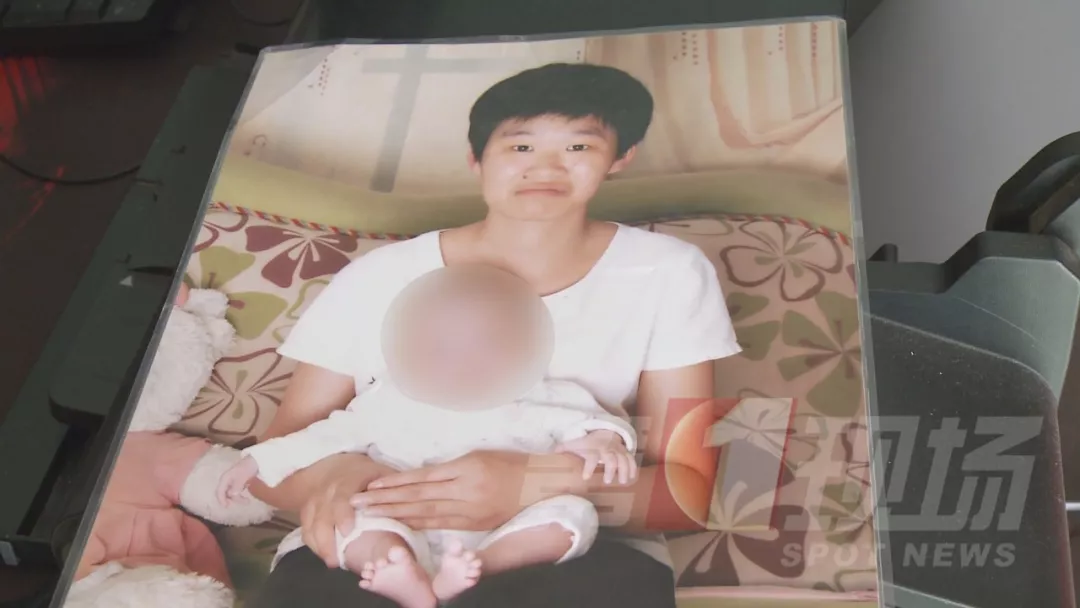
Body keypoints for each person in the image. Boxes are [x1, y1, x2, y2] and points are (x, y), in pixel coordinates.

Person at [246, 62, 742, 608]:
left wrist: (529, 484)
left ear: (621, 157)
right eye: (520, 146)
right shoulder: (381, 276)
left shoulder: (669, 273)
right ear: (476, 157)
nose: (545, 167)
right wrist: (341, 472)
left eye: (578, 146)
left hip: (572, 547)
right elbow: (266, 472)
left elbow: (688, 496)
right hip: (380, 539)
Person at [219, 264, 638, 608]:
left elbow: (592, 424)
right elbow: (324, 437)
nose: (466, 363)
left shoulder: (544, 396)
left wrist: (604, 441)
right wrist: (261, 460)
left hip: (505, 530)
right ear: (410, 350)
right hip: (400, 522)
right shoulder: (389, 400)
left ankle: (478, 570)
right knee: (351, 517)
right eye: (443, 349)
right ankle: (400, 574)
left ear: (524, 345)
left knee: (573, 515)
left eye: (489, 344)